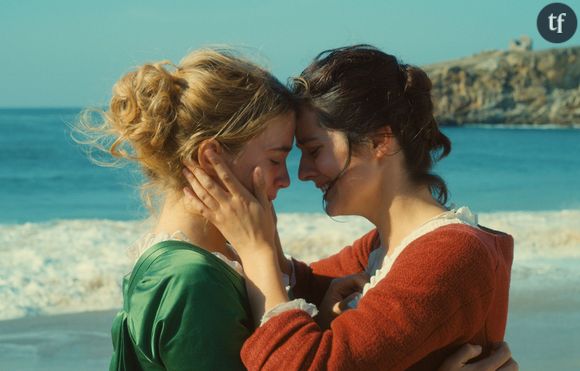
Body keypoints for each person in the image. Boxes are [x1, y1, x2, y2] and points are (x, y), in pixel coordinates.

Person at [182, 45, 516, 370]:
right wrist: (255, 231)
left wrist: (256, 250)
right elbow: (301, 286)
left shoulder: (451, 254)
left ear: (378, 142)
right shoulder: (379, 250)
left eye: (314, 150)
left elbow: (304, 364)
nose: (303, 173)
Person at [77, 48, 297, 370]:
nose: (286, 179)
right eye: (276, 159)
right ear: (212, 158)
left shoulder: (203, 262)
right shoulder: (193, 280)